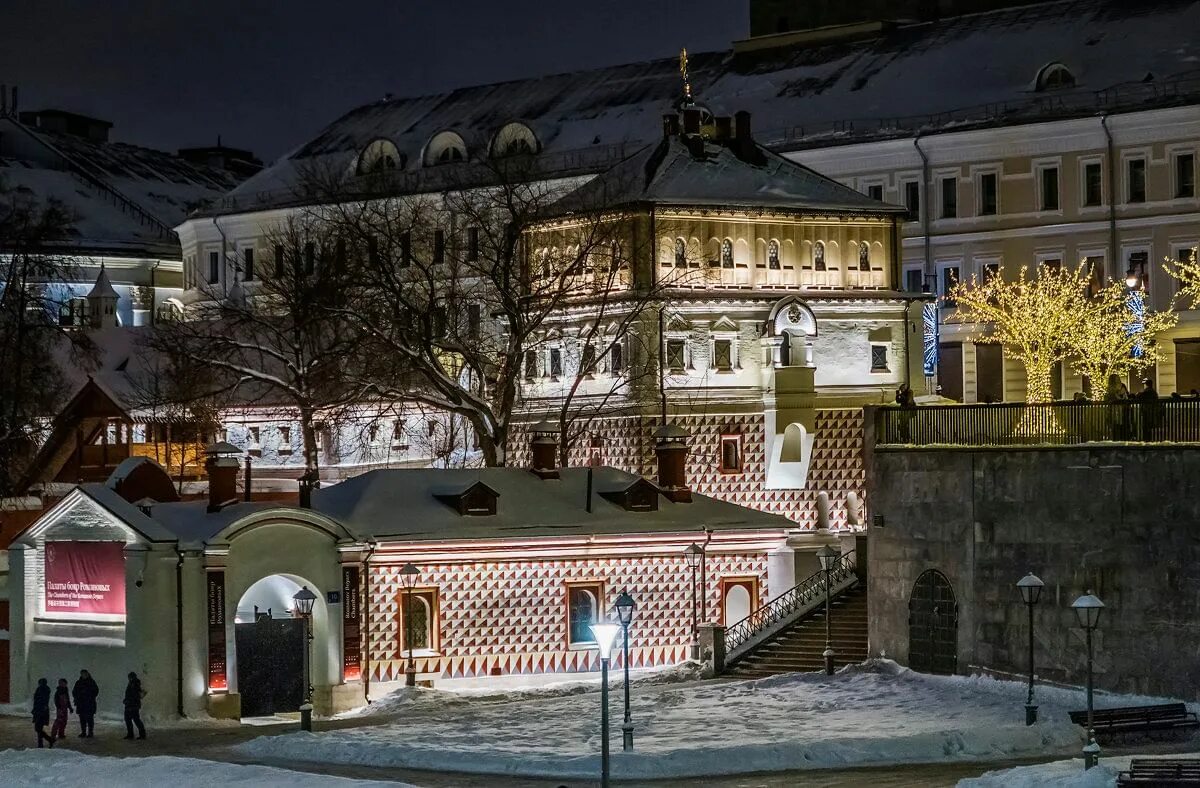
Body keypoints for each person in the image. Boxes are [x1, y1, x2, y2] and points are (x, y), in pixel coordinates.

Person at [73, 669, 99, 738]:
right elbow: (74, 692)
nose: (83, 675)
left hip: (89, 704)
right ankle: (83, 732)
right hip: (82, 704)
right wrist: (78, 697)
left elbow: (95, 691)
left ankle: (90, 732)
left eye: (84, 674)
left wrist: (87, 695)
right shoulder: (78, 682)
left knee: (89, 719)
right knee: (82, 719)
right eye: (82, 674)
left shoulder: (91, 682)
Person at [123, 672, 146, 740]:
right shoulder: (133, 683)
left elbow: (134, 695)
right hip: (131, 705)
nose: (129, 678)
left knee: (135, 719)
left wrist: (128, 700)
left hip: (132, 705)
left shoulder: (134, 684)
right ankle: (132, 734)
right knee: (130, 719)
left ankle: (139, 734)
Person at [32, 678, 54, 748]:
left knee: (38, 728)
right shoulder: (45, 689)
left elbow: (38, 700)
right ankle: (43, 742)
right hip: (41, 711)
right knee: (39, 728)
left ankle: (47, 740)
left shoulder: (41, 689)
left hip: (40, 711)